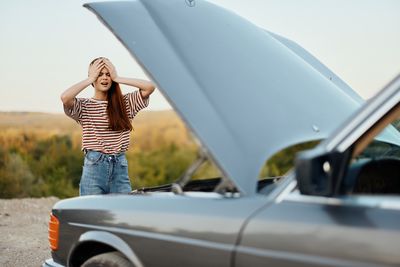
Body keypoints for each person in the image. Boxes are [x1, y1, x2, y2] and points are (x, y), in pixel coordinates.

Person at [61, 57, 155, 195]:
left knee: (123, 213)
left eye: (108, 74)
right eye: (99, 74)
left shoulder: (126, 103)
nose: (104, 78)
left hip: (119, 168)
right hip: (94, 168)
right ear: (92, 78)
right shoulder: (84, 106)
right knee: (91, 214)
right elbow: (65, 97)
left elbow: (149, 87)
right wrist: (90, 79)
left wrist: (118, 77)